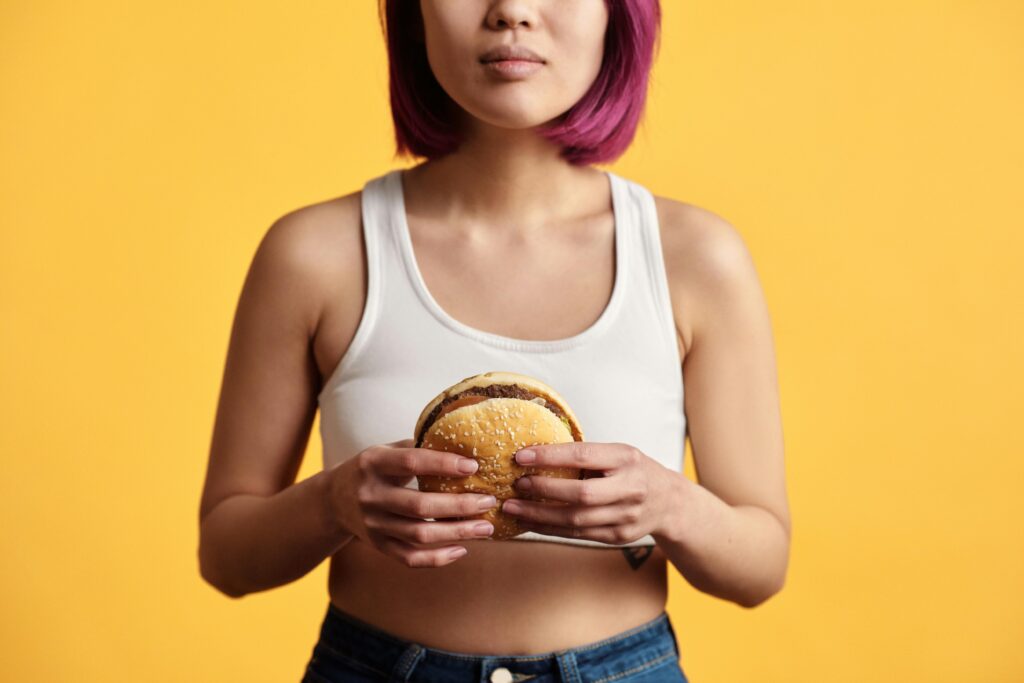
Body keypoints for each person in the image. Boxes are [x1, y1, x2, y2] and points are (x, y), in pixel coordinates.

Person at [198, 1, 791, 681]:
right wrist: (332, 504)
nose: (511, 10)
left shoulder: (695, 258)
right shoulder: (315, 255)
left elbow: (761, 566)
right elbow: (226, 555)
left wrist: (668, 504)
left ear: (617, 15)